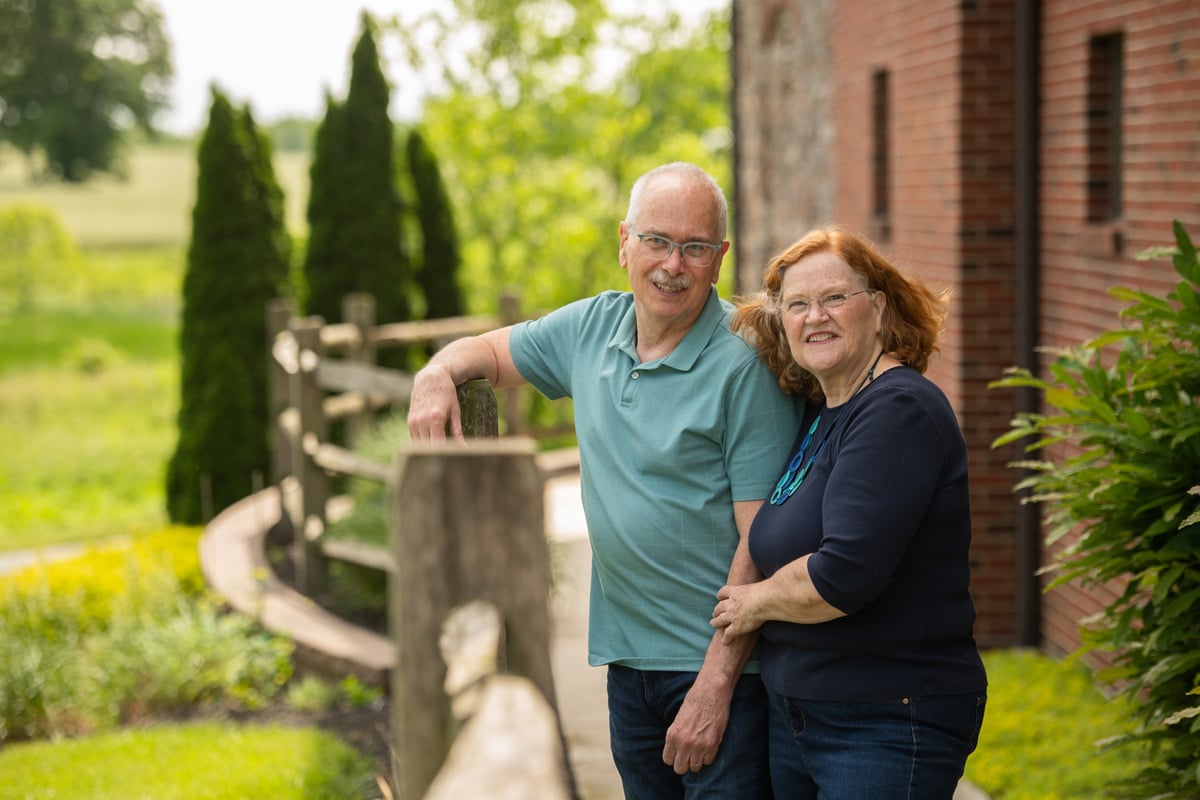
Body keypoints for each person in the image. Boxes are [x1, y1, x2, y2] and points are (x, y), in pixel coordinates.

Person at [407, 162, 800, 798]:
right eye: (656, 240)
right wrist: (434, 376)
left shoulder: (743, 366)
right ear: (624, 242)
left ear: (719, 258)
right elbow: (490, 352)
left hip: (716, 672)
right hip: (627, 665)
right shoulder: (593, 328)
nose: (673, 263)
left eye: (695, 247)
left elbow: (761, 548)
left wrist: (714, 686)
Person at [710, 225, 988, 798]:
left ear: (880, 310)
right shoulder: (827, 409)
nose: (816, 316)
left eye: (835, 297)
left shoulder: (898, 410)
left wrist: (753, 602)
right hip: (807, 716)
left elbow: (842, 577)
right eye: (798, 305)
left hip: (884, 719)